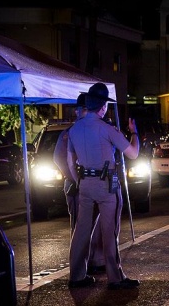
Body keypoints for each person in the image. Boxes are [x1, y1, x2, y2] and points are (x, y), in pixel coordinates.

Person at [66, 82, 140, 290]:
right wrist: (134, 133)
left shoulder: (74, 129)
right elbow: (133, 154)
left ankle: (77, 275)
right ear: (103, 107)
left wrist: (79, 181)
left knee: (82, 230)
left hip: (85, 184)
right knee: (110, 232)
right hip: (106, 185)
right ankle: (115, 277)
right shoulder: (106, 129)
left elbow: (71, 162)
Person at [53, 93, 105, 275]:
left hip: (92, 186)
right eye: (84, 109)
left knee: (95, 226)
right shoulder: (70, 133)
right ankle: (79, 269)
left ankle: (95, 260)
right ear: (80, 111)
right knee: (80, 228)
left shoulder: (90, 130)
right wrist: (76, 180)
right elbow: (59, 159)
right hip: (76, 187)